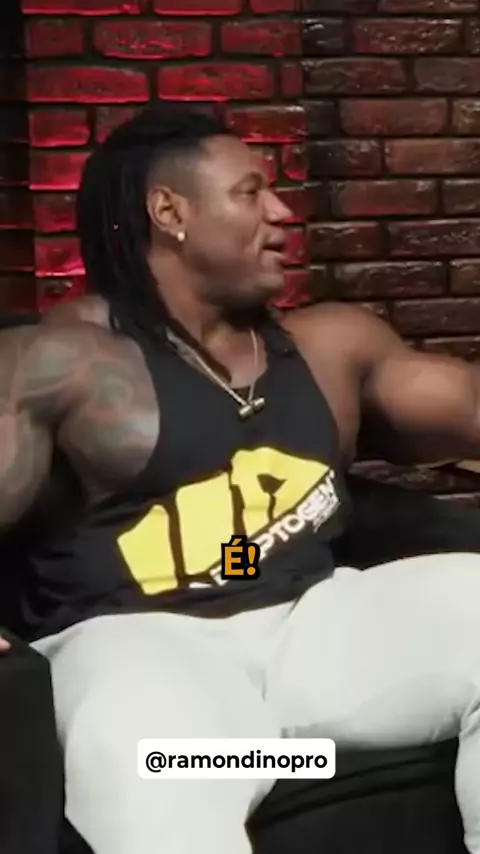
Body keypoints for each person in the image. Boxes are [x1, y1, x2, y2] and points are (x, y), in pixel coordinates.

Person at [2, 102, 480, 854]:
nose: (282, 214)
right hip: (142, 643)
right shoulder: (66, 365)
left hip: (312, 631)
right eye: (251, 193)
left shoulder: (330, 349)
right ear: (171, 213)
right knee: (153, 757)